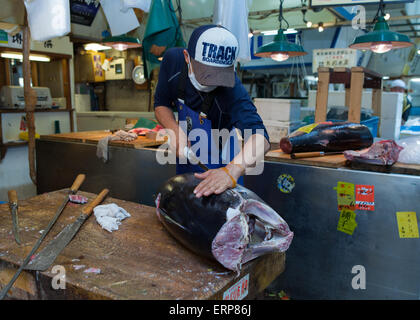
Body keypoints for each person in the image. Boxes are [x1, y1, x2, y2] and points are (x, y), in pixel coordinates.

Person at [154, 24, 270, 198]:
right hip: (188, 153)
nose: (212, 81)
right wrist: (173, 129)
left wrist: (232, 170)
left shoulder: (232, 89)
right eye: (207, 73)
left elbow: (261, 138)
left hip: (223, 161)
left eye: (219, 74)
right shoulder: (172, 61)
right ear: (187, 57)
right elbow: (161, 104)